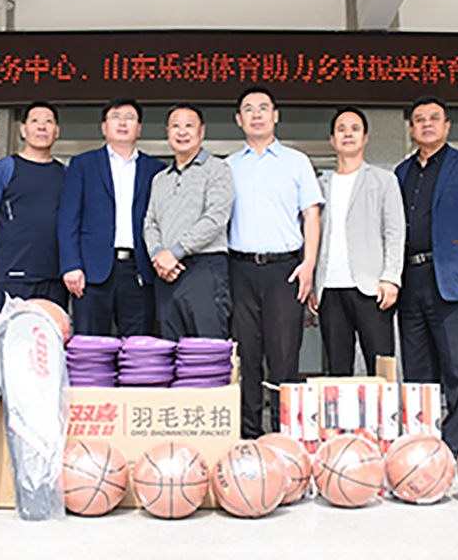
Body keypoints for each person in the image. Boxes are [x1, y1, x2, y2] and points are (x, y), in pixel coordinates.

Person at [395, 96, 458, 455]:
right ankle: (422, 443)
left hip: (453, 280)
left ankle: (457, 444)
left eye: (434, 118)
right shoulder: (402, 172)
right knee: (417, 367)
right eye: (419, 119)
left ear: (447, 126)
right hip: (410, 280)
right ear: (411, 128)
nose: (427, 124)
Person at [226, 88, 322, 439]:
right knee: (246, 356)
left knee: (284, 357)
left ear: (275, 115)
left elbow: (312, 215)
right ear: (239, 119)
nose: (257, 114)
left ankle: (284, 437)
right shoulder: (227, 166)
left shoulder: (296, 162)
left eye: (263, 108)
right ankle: (249, 434)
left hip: (286, 271)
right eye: (249, 109)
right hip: (239, 270)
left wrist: (309, 265)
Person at [307, 106, 405, 376]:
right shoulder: (320, 186)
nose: (347, 134)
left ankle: (384, 408)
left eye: (355, 129)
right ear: (332, 139)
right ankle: (342, 409)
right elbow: (311, 236)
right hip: (330, 289)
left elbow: (395, 233)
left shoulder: (384, 181)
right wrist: (314, 282)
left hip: (372, 288)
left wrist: (391, 278)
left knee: (381, 366)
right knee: (337, 368)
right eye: (341, 129)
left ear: (365, 138)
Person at [58, 99, 165, 336]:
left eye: (130, 118)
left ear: (139, 128)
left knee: (138, 347)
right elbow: (68, 220)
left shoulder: (155, 169)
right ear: (104, 127)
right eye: (116, 117)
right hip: (91, 272)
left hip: (139, 271)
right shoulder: (83, 164)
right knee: (91, 346)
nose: (123, 123)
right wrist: (71, 265)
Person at [143, 103, 234, 341]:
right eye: (175, 126)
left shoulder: (217, 169)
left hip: (204, 269)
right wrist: (158, 255)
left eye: (189, 125)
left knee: (207, 350)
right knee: (169, 349)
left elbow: (216, 218)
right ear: (167, 132)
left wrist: (175, 252)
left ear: (201, 131)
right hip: (166, 273)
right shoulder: (160, 179)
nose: (182, 131)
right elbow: (150, 223)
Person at [0, 101, 67, 311]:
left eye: (48, 122)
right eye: (35, 121)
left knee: (53, 330)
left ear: (56, 131)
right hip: (13, 275)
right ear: (23, 130)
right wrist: (4, 253)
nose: (41, 126)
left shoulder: (65, 173)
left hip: (54, 277)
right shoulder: (5, 168)